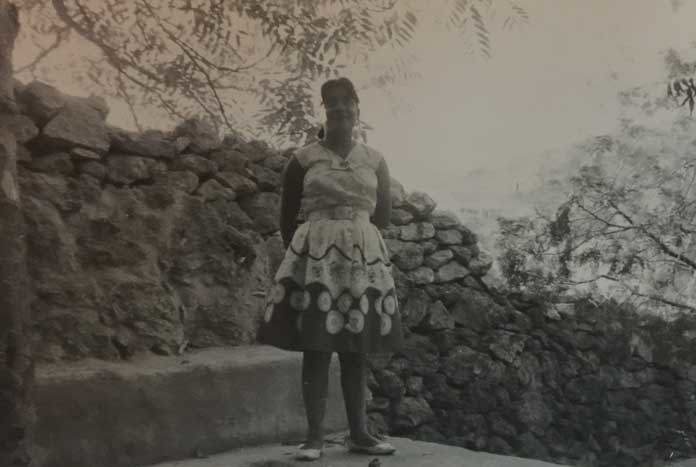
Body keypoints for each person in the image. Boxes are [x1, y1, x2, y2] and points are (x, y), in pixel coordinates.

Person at [258, 77, 403, 461]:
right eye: (331, 102)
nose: (339, 108)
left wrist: (357, 240)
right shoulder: (304, 159)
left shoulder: (374, 160)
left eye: (346, 102)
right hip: (317, 258)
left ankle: (360, 433)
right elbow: (287, 218)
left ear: (358, 108)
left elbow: (382, 216)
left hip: (361, 258)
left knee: (357, 348)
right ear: (324, 110)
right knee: (318, 346)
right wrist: (311, 253)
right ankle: (315, 437)